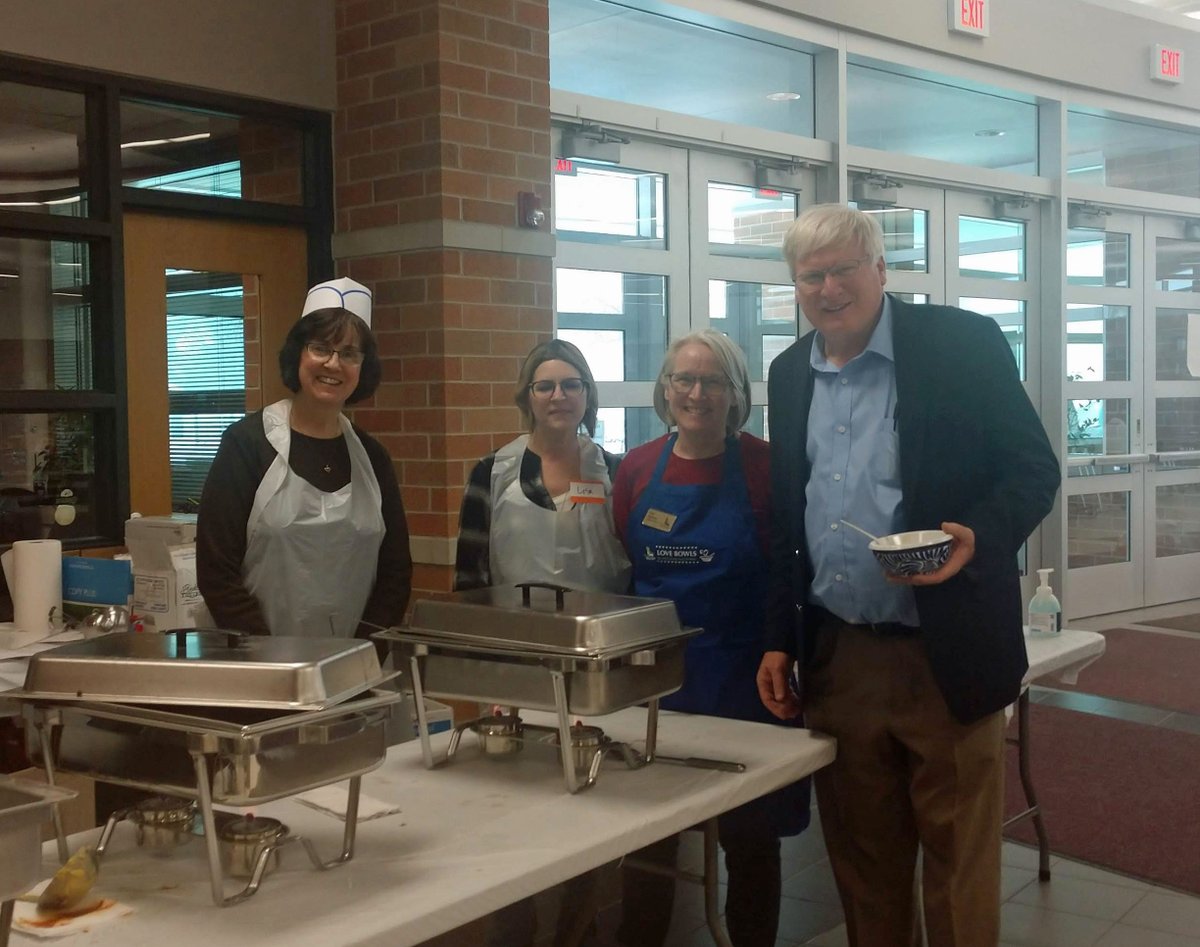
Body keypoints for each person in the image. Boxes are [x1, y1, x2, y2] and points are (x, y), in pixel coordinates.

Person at [756, 204, 1059, 947]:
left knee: (957, 868)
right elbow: (788, 517)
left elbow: (1032, 470)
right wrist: (778, 638)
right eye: (811, 276)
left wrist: (978, 538)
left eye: (844, 270)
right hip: (841, 657)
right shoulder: (789, 373)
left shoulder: (961, 345)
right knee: (864, 868)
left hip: (946, 648)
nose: (829, 289)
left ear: (881, 269)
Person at [610, 330, 810, 947]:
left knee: (752, 838)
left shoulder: (766, 466)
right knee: (648, 837)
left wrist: (785, 647)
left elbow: (792, 565)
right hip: (658, 683)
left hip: (747, 679)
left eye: (713, 381)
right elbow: (624, 563)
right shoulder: (636, 468)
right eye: (684, 379)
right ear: (666, 389)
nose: (697, 393)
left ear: (735, 393)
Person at [454, 337, 630, 947]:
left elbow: (633, 569)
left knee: (591, 802)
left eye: (571, 384)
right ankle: (515, 925)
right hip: (515, 665)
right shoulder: (494, 472)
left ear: (588, 395)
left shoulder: (615, 472)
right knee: (516, 802)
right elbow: (469, 576)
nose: (559, 396)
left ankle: (579, 926)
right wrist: (476, 668)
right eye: (546, 385)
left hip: (596, 664)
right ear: (527, 396)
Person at [197, 277, 412, 640]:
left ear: (363, 368)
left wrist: (360, 653)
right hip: (257, 661)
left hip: (353, 661)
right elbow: (216, 571)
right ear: (298, 353)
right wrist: (269, 656)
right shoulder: (247, 445)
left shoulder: (372, 458)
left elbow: (395, 573)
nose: (333, 363)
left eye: (349, 353)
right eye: (320, 348)